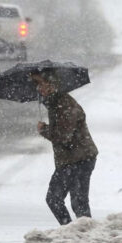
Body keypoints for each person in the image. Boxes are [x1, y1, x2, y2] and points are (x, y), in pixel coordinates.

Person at [31, 70, 98, 225]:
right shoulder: (55, 103)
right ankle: (79, 236)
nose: (38, 88)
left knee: (58, 199)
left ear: (52, 83)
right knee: (77, 203)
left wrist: (44, 130)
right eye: (36, 84)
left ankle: (74, 235)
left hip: (78, 158)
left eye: (41, 83)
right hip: (74, 158)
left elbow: (63, 136)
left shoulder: (64, 104)